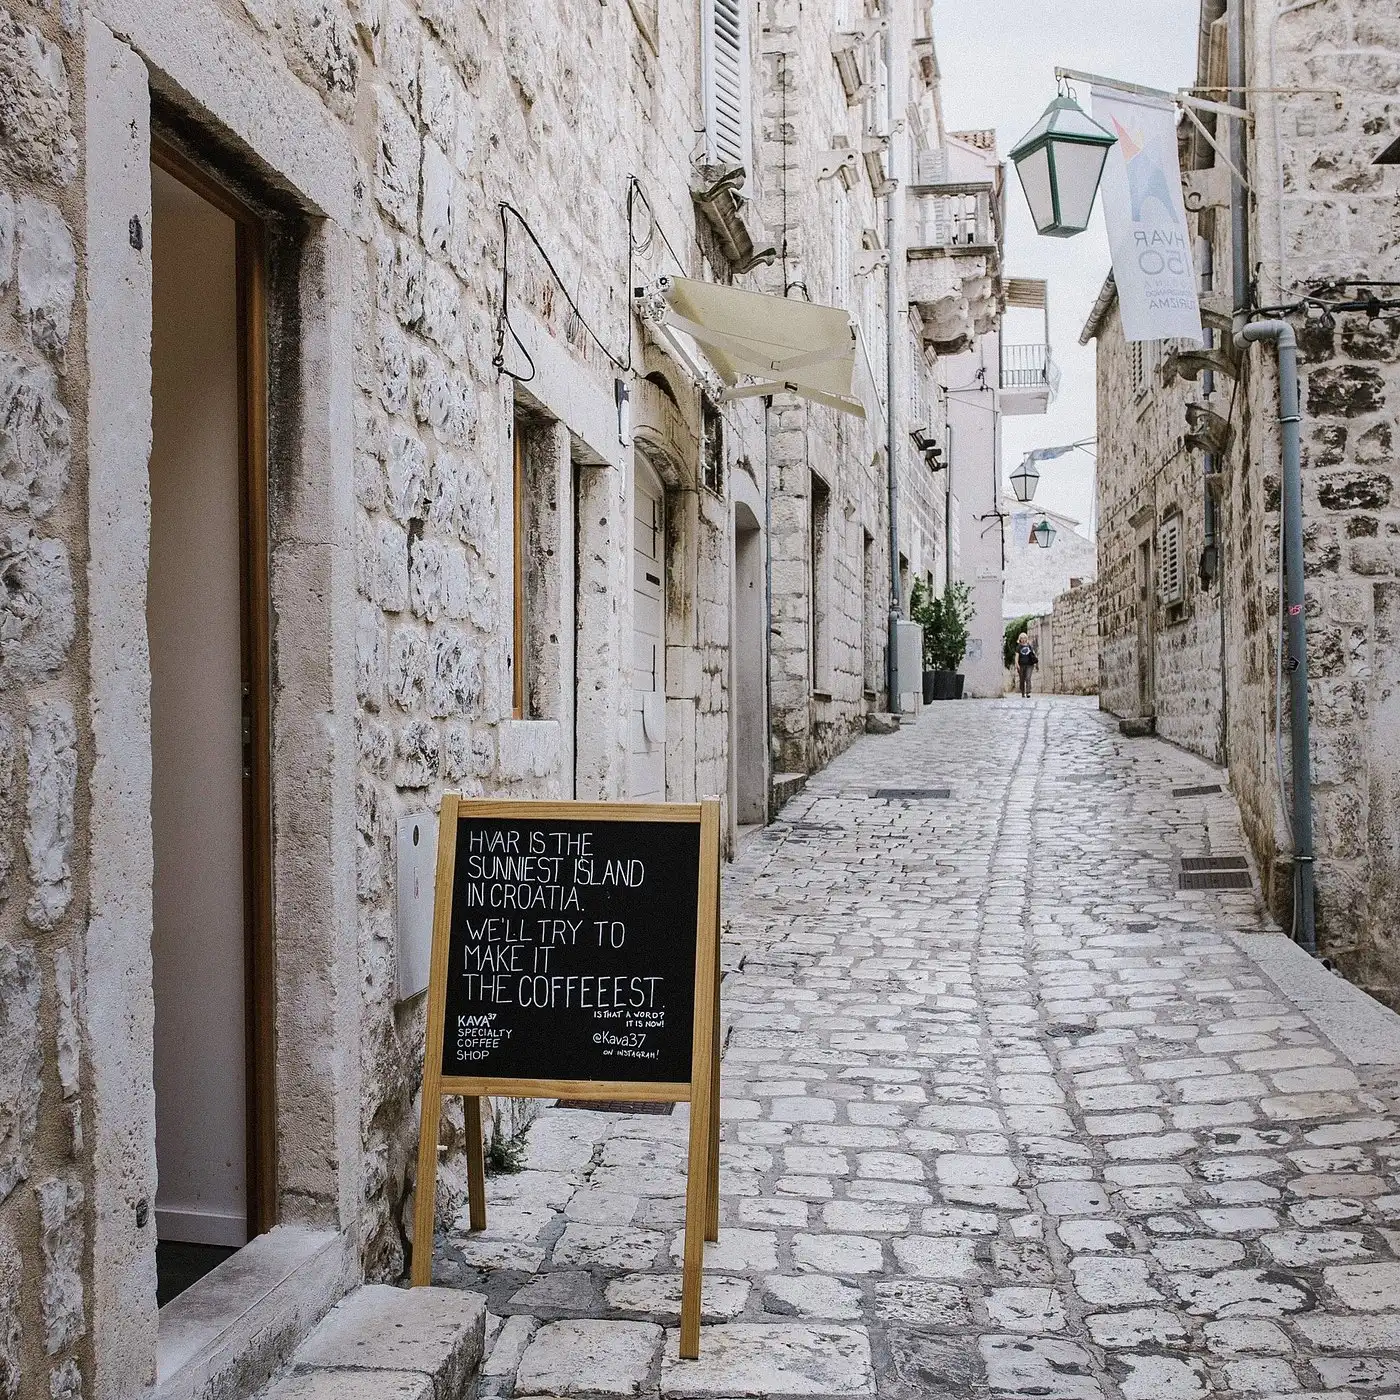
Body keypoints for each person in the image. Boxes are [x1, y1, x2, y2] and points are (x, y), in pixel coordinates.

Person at [1015, 632, 1038, 698]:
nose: (1023, 639)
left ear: (1026, 638)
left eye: (1024, 638)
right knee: (1022, 679)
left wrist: (1035, 662)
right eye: (1022, 638)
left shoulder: (1029, 646)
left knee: (1028, 678)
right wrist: (1017, 665)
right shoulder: (1018, 647)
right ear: (1020, 639)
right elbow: (1016, 657)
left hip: (1029, 665)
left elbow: (1033, 654)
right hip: (1021, 665)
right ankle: (1023, 692)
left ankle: (1028, 692)